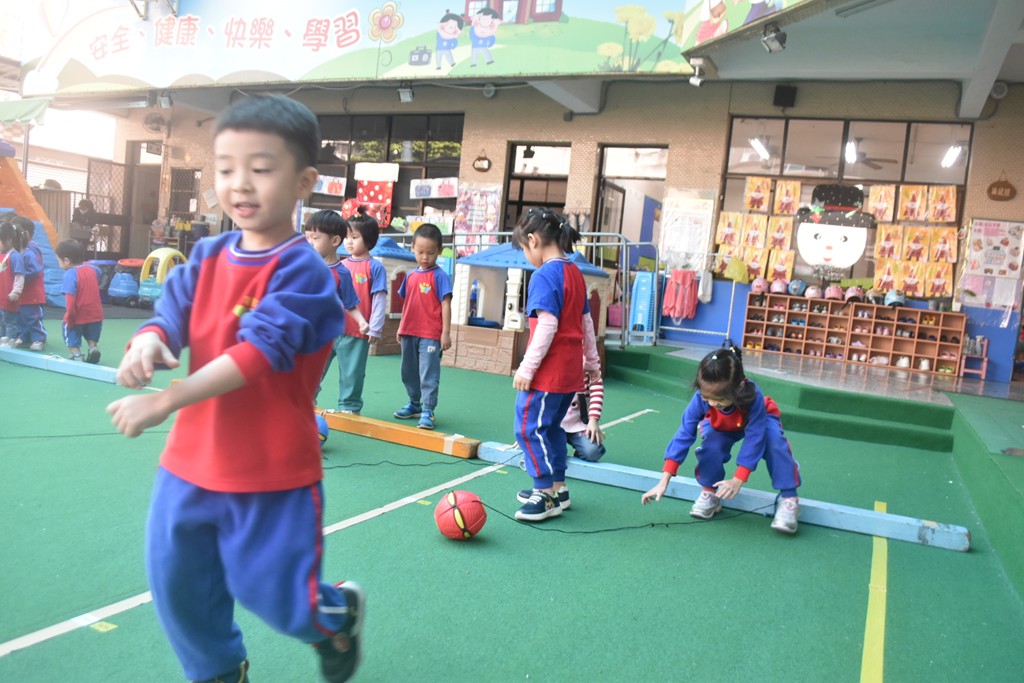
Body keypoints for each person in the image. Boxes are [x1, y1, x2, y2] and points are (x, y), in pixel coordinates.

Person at [105, 95, 365, 683]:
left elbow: (255, 355)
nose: (240, 184)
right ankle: (221, 671)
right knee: (176, 583)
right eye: (225, 168)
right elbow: (172, 310)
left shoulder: (305, 273)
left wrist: (165, 399)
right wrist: (149, 340)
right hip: (190, 461)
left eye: (261, 168)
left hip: (270, 471)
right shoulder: (207, 254)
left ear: (303, 182)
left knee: (275, 595)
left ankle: (334, 616)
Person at [640, 344, 802, 534]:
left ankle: (789, 498)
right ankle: (710, 493)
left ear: (739, 387)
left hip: (758, 419)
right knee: (711, 445)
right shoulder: (702, 399)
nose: (712, 403)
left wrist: (738, 479)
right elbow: (684, 434)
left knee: (774, 442)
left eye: (719, 400)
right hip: (721, 423)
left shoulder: (753, 396)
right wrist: (664, 480)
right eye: (707, 398)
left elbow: (755, 437)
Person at [511, 208, 600, 522]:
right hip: (570, 371)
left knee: (528, 428)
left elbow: (547, 326)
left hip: (548, 374)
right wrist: (592, 361)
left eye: (524, 249)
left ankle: (545, 493)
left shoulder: (544, 275)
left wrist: (527, 368)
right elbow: (587, 323)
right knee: (553, 429)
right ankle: (558, 489)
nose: (527, 256)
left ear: (533, 240)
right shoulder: (574, 272)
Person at [304, 209, 371, 407]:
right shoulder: (304, 267)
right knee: (304, 375)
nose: (309, 243)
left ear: (334, 241)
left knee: (344, 373)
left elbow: (350, 303)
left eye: (315, 238)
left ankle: (349, 409)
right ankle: (304, 404)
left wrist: (362, 321)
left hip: (326, 335)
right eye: (307, 237)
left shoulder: (342, 273)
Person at [393, 223, 453, 430]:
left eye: (431, 252)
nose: (425, 257)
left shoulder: (440, 276)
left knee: (428, 372)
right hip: (409, 331)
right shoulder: (410, 276)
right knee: (408, 371)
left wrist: (445, 333)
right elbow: (407, 303)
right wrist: (401, 327)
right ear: (412, 248)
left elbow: (446, 305)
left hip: (430, 334)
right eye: (420, 252)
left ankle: (428, 409)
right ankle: (414, 403)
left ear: (439, 251)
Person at [337, 206, 388, 414]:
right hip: (332, 327)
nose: (348, 241)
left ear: (368, 239)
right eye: (346, 237)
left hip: (358, 330)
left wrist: (375, 328)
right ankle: (307, 399)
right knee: (316, 366)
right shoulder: (340, 265)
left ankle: (349, 407)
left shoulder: (375, 267)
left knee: (352, 372)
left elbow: (379, 299)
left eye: (354, 237)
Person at [54, 239, 103, 363]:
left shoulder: (70, 274)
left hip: (78, 314)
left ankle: (77, 355)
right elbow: (98, 278)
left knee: (70, 333)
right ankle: (93, 347)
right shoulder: (93, 269)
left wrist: (69, 316)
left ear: (66, 260)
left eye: (58, 260)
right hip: (95, 313)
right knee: (91, 333)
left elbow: (70, 300)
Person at [11, 215, 46, 351]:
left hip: (32, 293)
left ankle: (39, 338)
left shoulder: (31, 249)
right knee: (20, 315)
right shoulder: (17, 250)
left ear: (24, 234)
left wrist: (20, 275)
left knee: (32, 316)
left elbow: (35, 269)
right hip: (22, 292)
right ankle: (24, 336)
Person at [0, 221, 25, 346]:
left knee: (9, 321)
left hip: (9, 297)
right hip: (1, 297)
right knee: (1, 321)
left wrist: (16, 291)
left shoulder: (15, 256)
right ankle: (2, 340)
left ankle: (10, 341)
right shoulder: (2, 254)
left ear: (9, 239)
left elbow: (19, 276)